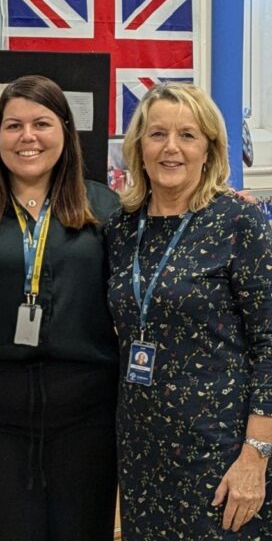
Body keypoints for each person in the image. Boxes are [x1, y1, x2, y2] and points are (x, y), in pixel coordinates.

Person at [0, 75, 120, 541]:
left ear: (65, 132)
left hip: (88, 419)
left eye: (41, 123)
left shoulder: (105, 209)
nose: (27, 137)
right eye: (13, 125)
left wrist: (214, 203)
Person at [105, 82, 272, 540]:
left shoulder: (239, 221)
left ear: (209, 149)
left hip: (221, 453)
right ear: (139, 147)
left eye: (188, 135)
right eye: (157, 134)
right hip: (142, 452)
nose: (171, 148)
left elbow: (269, 345)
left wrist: (256, 457)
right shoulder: (120, 228)